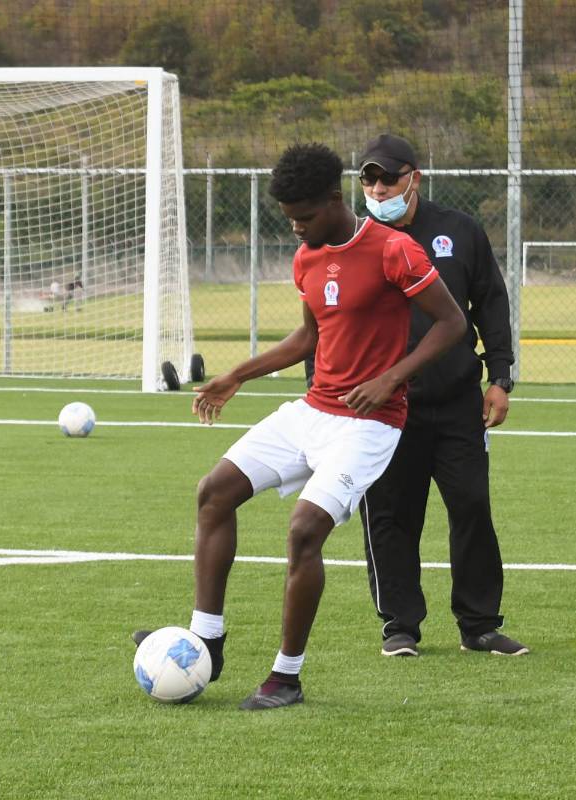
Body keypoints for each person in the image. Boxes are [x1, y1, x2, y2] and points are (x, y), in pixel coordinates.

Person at [135, 142, 466, 710]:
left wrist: (392, 378)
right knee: (214, 493)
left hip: (368, 424)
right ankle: (208, 640)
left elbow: (452, 323)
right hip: (312, 410)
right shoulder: (307, 256)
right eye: (288, 218)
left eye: (305, 216)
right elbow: (308, 338)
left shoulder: (395, 250)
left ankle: (285, 677)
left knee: (302, 532)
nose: (296, 228)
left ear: (335, 200)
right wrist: (237, 374)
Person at [348, 133, 528, 658]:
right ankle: (400, 625)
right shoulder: (353, 242)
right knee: (390, 516)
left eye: (388, 178)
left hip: (455, 402)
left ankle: (480, 625)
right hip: (382, 410)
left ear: (415, 178)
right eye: (369, 179)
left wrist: (500, 377)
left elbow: (491, 304)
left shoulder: (459, 231)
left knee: (471, 506)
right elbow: (328, 324)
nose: (379, 189)